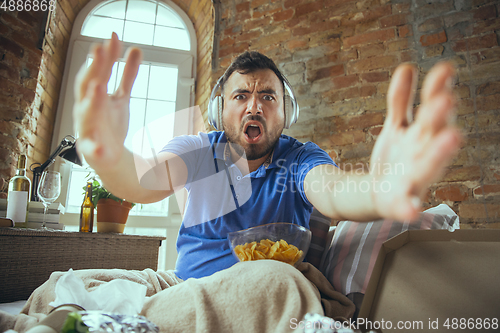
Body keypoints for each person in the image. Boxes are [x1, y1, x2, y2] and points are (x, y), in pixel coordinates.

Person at [74, 33, 461, 281]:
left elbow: (332, 189)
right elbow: (144, 180)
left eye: (268, 97)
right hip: (186, 287)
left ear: (285, 112)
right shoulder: (197, 150)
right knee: (76, 284)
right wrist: (108, 156)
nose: (253, 107)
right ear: (220, 111)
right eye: (241, 96)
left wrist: (377, 191)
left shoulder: (299, 158)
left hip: (267, 291)